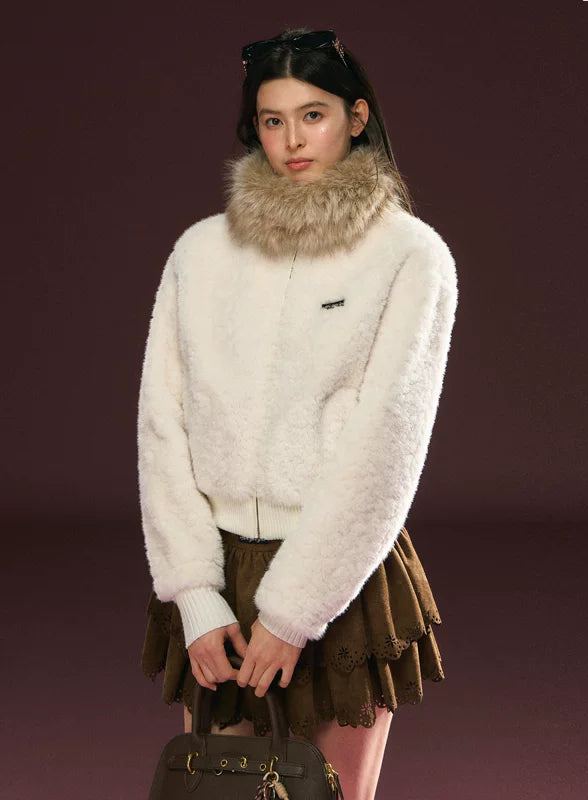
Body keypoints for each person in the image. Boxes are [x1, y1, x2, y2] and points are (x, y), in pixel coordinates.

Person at [138, 27, 458, 800]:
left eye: (313, 115)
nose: (292, 140)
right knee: (220, 790)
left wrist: (293, 611)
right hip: (218, 573)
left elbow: (388, 445)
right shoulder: (200, 253)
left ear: (356, 115)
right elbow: (161, 424)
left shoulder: (410, 256)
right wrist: (194, 592)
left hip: (339, 576)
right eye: (272, 120)